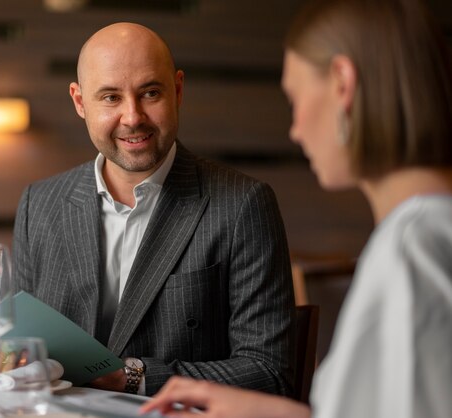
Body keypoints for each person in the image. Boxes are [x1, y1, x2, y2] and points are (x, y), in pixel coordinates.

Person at [141, 0, 452, 416]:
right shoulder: (428, 232)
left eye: (296, 98)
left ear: (342, 84)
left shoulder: (413, 248)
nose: (295, 129)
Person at [11, 22, 296, 396]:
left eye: (149, 93)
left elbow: (269, 372)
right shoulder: (39, 205)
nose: (132, 117)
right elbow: (23, 346)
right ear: (80, 102)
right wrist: (5, 357)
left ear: (177, 90)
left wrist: (128, 376)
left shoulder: (244, 204)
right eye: (110, 97)